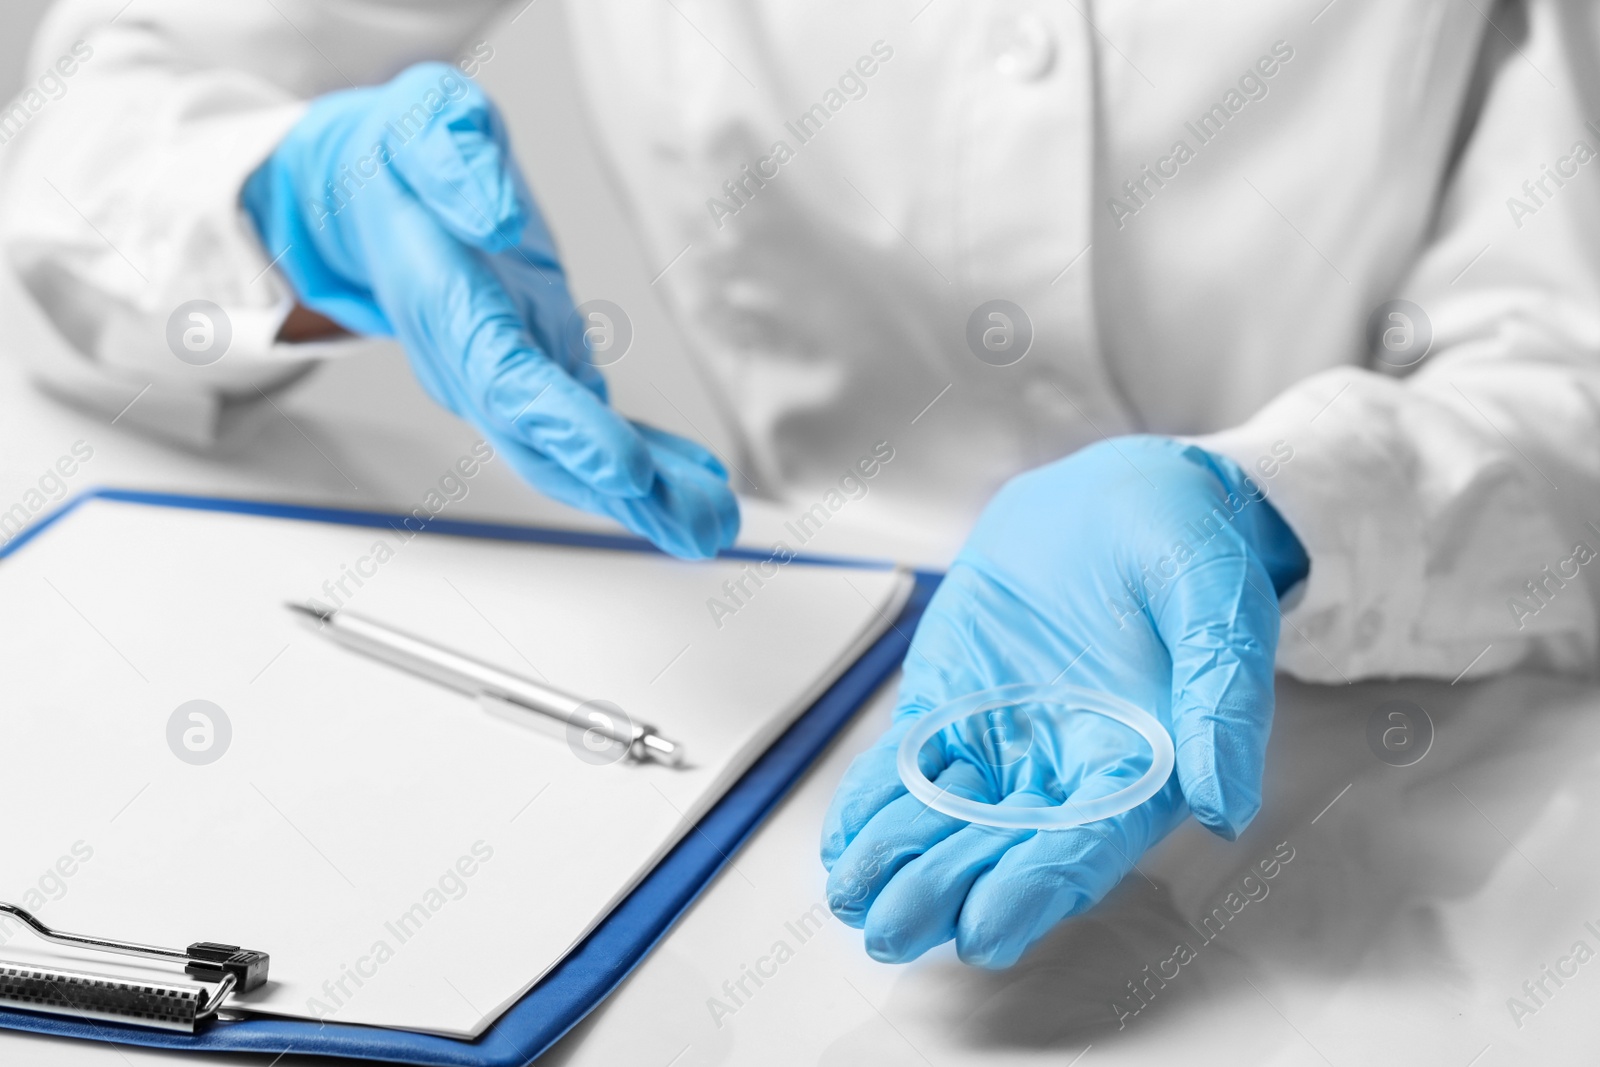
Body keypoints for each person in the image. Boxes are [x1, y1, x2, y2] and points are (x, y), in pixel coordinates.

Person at [3, 0, 1597, 970]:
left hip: (1425, 742)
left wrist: (1268, 508)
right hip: (779, 716)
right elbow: (95, 125)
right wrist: (289, 208)